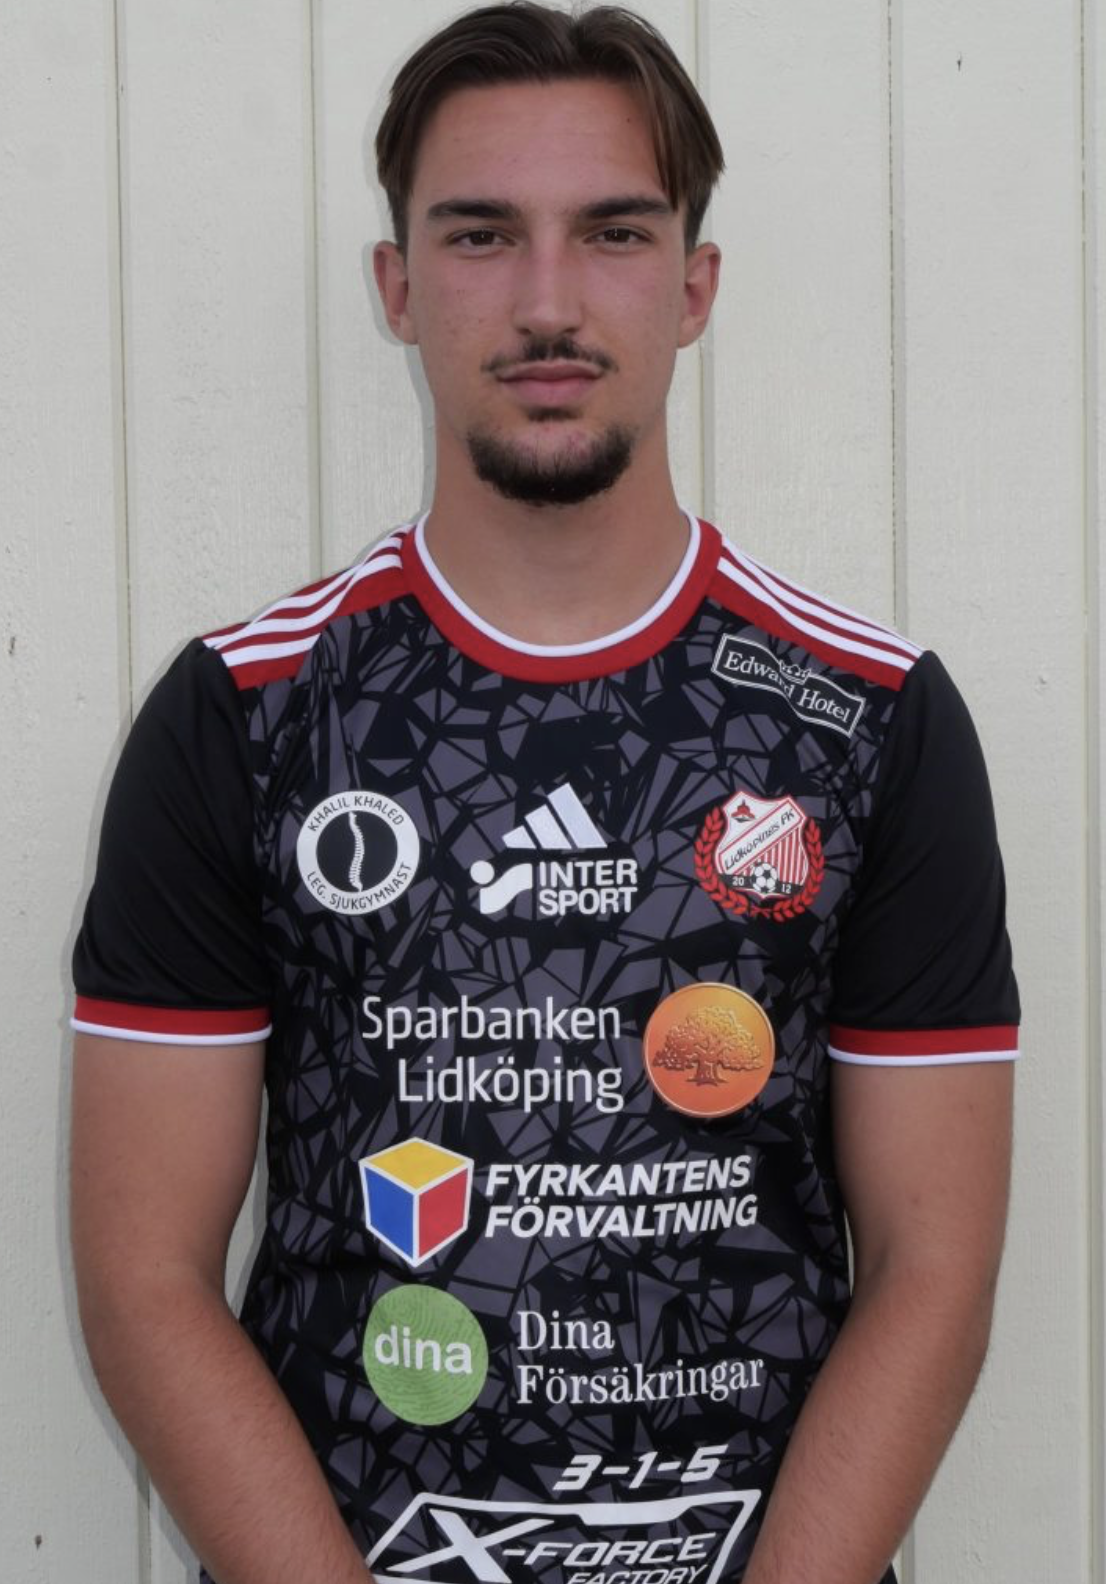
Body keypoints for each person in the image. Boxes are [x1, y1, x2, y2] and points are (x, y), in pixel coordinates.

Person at [69, 6, 1019, 1583]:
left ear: (694, 286)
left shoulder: (869, 718)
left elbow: (935, 1268)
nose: (548, 301)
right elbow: (140, 1276)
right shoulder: (243, 715)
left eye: (614, 233)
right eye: (480, 234)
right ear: (398, 287)